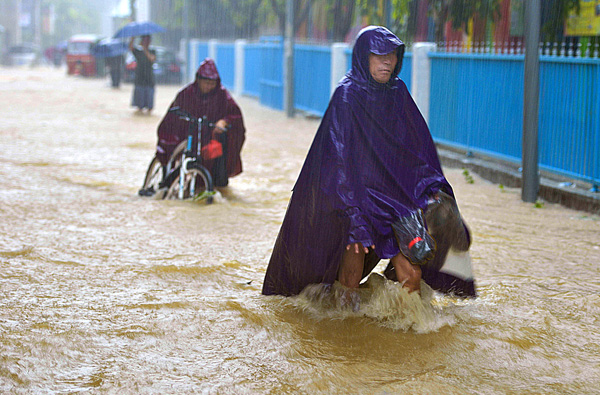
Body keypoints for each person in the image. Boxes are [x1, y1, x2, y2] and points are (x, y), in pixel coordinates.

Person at [262, 26, 474, 302]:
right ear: (364, 56)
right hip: (358, 201)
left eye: (392, 55)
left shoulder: (398, 93)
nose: (387, 61)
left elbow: (417, 150)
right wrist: (354, 219)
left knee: (412, 276)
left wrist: (435, 190)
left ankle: (403, 334)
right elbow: (336, 162)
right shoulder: (347, 95)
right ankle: (346, 338)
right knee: (349, 281)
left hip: (394, 201)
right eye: (379, 54)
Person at [154, 58, 245, 188]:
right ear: (198, 80)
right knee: (170, 146)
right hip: (186, 133)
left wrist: (224, 121)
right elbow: (171, 118)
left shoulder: (222, 95)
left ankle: (216, 183)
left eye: (212, 83)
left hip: (210, 137)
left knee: (220, 153)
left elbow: (235, 116)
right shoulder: (186, 94)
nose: (208, 87)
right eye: (206, 83)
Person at [129, 35, 156, 114]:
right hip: (139, 79)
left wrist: (145, 49)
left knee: (149, 106)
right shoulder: (138, 52)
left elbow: (152, 59)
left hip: (149, 80)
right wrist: (133, 37)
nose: (146, 42)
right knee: (139, 106)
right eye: (145, 40)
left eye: (148, 40)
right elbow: (130, 48)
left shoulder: (152, 51)